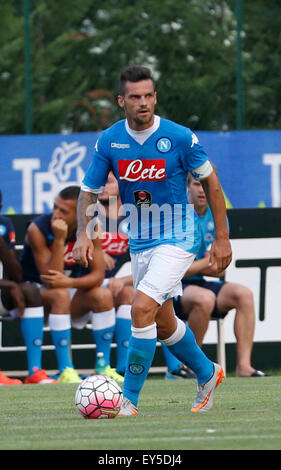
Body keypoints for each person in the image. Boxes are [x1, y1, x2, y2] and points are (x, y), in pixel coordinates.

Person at [73, 65, 232, 415]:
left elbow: (212, 185)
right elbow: (88, 191)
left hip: (179, 235)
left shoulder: (179, 136)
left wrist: (222, 237)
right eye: (134, 97)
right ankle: (207, 373)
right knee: (161, 321)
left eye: (148, 96)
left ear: (155, 97)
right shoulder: (110, 140)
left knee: (140, 307)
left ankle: (128, 400)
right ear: (121, 101)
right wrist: (83, 234)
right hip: (141, 239)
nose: (143, 103)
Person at [98, 171, 192, 379]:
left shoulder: (138, 216)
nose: (103, 186)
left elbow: (147, 258)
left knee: (154, 301)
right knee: (135, 296)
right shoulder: (91, 216)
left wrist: (121, 279)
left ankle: (176, 368)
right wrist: (97, 253)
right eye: (102, 181)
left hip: (125, 281)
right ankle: (120, 366)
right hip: (94, 283)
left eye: (110, 182)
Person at [173, 171, 267, 377]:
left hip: (199, 281)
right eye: (198, 184)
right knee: (204, 299)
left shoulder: (218, 216)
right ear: (188, 186)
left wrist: (201, 264)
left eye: (207, 185)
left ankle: (244, 367)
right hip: (174, 286)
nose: (202, 190)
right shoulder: (178, 215)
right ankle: (190, 365)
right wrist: (207, 261)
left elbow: (220, 269)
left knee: (244, 294)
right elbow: (177, 270)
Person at [21, 185, 114, 383]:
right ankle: (66, 368)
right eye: (55, 207)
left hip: (69, 290)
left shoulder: (92, 227)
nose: (56, 214)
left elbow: (98, 276)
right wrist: (60, 240)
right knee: (60, 294)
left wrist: (69, 282)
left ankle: (103, 366)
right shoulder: (37, 228)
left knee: (103, 295)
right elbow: (50, 278)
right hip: (37, 296)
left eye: (63, 211)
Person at [0, 189, 50, 385]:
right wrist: (8, 284)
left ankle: (35, 371)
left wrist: (2, 245)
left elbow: (17, 275)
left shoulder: (4, 225)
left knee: (30, 290)